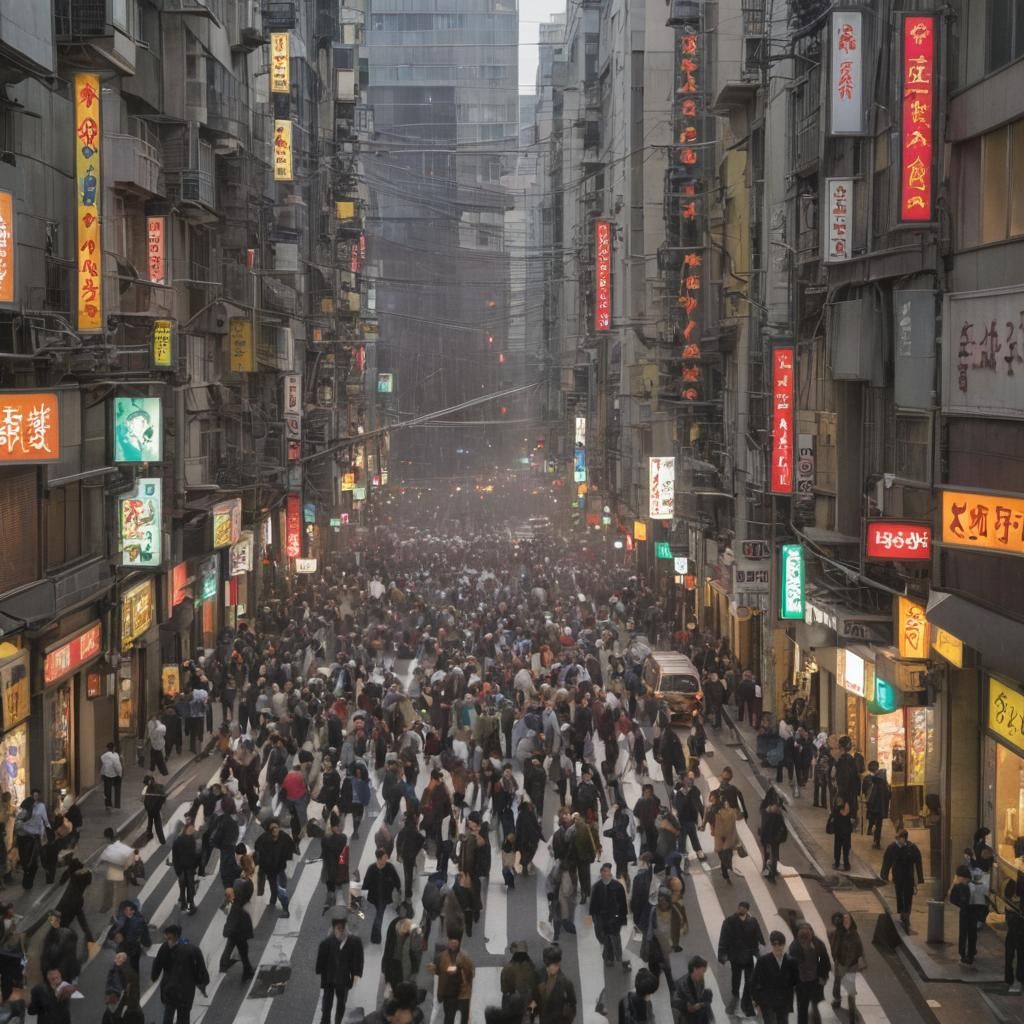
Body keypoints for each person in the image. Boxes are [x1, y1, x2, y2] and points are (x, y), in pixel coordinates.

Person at [151, 924, 209, 1024]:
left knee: (168, 1015)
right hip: (186, 992)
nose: (167, 939)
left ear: (173, 936)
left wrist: (154, 976)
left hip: (170, 989)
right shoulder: (193, 950)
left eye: (168, 937)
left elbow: (157, 964)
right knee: (183, 1018)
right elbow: (200, 969)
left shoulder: (165, 948)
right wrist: (202, 983)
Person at [718, 901, 765, 1017]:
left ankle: (746, 1003)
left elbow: (758, 935)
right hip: (735, 955)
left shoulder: (752, 921)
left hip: (749, 955)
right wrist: (723, 954)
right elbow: (723, 937)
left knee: (749, 980)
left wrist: (760, 947)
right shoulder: (729, 921)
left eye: (743, 908)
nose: (741, 909)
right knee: (736, 978)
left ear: (747, 910)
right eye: (740, 907)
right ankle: (735, 996)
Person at [315, 915, 365, 1024]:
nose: (342, 931)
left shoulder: (355, 942)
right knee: (327, 1003)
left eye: (343, 928)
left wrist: (356, 974)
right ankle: (325, 1020)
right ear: (334, 929)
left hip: (344, 979)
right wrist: (321, 971)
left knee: (341, 1003)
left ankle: (338, 1020)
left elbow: (358, 959)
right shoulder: (326, 944)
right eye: (339, 928)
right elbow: (321, 962)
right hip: (329, 978)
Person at [880, 828, 924, 932]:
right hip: (898, 877)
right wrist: (884, 875)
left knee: (908, 897)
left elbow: (918, 862)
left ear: (905, 839)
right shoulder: (892, 847)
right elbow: (886, 862)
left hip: (909, 878)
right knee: (899, 896)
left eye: (900, 839)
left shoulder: (912, 848)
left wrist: (920, 878)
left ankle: (906, 917)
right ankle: (902, 915)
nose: (899, 841)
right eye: (898, 838)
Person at [589, 862, 631, 969]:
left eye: (607, 871)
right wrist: (593, 919)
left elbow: (622, 904)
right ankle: (609, 957)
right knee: (606, 939)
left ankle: (617, 958)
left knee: (615, 939)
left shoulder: (617, 886)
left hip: (614, 919)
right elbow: (593, 905)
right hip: (602, 919)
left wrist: (622, 919)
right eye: (603, 871)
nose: (605, 873)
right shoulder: (597, 887)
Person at [751, 931, 799, 1024]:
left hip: (783, 1003)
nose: (777, 947)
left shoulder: (791, 962)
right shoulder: (762, 961)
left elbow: (795, 981)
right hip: (767, 1003)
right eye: (774, 944)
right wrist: (757, 1001)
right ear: (771, 945)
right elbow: (754, 982)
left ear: (784, 944)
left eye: (780, 944)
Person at [788, 922, 830, 1024]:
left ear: (811, 933)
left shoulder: (818, 945)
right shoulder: (794, 947)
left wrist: (823, 976)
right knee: (802, 1007)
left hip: (816, 981)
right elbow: (792, 966)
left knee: (815, 1005)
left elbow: (823, 961)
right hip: (801, 983)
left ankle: (816, 1021)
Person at [427, 935, 474, 1024]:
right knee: (455, 1015)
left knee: (448, 1013)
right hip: (455, 994)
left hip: (453, 994)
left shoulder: (455, 963)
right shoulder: (454, 964)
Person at [254, 818, 296, 918]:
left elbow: (291, 847)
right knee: (274, 885)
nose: (274, 830)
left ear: (279, 828)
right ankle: (273, 900)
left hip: (280, 868)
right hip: (270, 869)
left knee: (280, 889)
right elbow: (257, 848)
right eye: (272, 829)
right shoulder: (264, 838)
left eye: (276, 828)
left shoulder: (284, 837)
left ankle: (285, 909)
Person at [829, 912, 865, 1018]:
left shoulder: (853, 934)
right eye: (843, 920)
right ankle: (838, 1000)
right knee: (837, 983)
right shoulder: (838, 932)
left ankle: (851, 1009)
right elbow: (834, 947)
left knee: (850, 988)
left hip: (849, 965)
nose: (845, 922)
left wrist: (846, 964)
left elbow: (858, 950)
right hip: (841, 963)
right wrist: (836, 958)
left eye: (847, 920)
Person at [220, 877, 255, 982]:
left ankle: (225, 965)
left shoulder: (235, 906)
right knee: (242, 951)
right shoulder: (240, 911)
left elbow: (226, 911)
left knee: (238, 949)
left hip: (235, 932)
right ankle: (246, 971)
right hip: (238, 933)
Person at [363, 847, 401, 944]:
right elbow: (365, 884)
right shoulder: (371, 868)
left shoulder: (390, 867)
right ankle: (374, 937)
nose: (387, 858)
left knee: (379, 916)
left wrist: (395, 887)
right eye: (385, 857)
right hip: (373, 897)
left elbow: (397, 881)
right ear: (379, 858)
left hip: (384, 898)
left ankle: (376, 937)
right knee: (375, 916)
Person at [532, 945, 576, 1024]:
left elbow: (572, 1004)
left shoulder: (566, 983)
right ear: (546, 963)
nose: (555, 967)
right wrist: (532, 1015)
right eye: (551, 964)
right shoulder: (537, 976)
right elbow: (533, 997)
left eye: (557, 964)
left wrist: (566, 1021)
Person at [99, 827, 136, 914]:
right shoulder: (119, 845)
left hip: (113, 872)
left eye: (105, 838)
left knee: (109, 889)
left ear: (107, 838)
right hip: (122, 872)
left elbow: (101, 860)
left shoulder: (108, 848)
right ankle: (120, 907)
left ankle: (107, 906)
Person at [500, 940, 540, 1015]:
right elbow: (535, 985)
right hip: (527, 999)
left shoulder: (507, 968)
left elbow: (504, 989)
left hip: (513, 999)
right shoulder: (531, 967)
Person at [171, 818, 200, 915]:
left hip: (187, 869)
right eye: (191, 829)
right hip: (184, 869)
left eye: (193, 829)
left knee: (186, 887)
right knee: (188, 888)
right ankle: (189, 906)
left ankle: (186, 904)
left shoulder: (190, 839)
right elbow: (175, 857)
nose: (192, 831)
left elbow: (194, 854)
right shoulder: (179, 841)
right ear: (185, 829)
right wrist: (178, 871)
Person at [674, 955, 713, 1024]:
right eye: (703, 971)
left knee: (708, 993)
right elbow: (690, 1005)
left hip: (695, 1008)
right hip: (686, 1013)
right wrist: (698, 1005)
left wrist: (701, 1004)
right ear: (695, 969)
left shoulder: (700, 979)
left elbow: (699, 997)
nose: (703, 974)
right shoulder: (683, 983)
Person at [759, 792, 788, 883]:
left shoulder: (776, 814)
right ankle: (768, 873)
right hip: (768, 838)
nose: (777, 808)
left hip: (774, 838)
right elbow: (765, 828)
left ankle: (773, 871)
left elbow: (781, 827)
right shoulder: (767, 814)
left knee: (774, 855)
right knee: (768, 856)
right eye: (776, 806)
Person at [862, 762, 890, 849]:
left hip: (873, 804)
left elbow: (865, 791)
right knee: (879, 824)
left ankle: (873, 836)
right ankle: (877, 841)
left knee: (873, 819)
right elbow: (888, 793)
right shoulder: (883, 779)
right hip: (881, 805)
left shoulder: (870, 779)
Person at [827, 800, 853, 873]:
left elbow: (837, 810)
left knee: (838, 845)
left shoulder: (840, 799)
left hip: (839, 826)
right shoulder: (851, 800)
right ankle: (846, 864)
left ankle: (837, 863)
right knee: (846, 846)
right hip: (847, 827)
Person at [142, 775, 167, 844]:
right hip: (155, 809)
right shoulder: (159, 787)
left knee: (150, 820)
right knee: (157, 824)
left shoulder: (148, 788)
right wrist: (160, 805)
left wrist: (147, 807)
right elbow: (163, 797)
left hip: (151, 808)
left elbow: (144, 799)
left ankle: (149, 834)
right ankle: (162, 840)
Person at [100, 742, 124, 811]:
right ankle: (117, 804)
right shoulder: (115, 756)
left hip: (106, 775)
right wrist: (120, 774)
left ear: (107, 748)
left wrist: (101, 774)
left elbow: (103, 766)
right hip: (115, 775)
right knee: (117, 789)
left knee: (107, 791)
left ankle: (108, 804)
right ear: (113, 748)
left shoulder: (103, 756)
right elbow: (117, 766)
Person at [148, 710, 169, 776]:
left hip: (158, 743)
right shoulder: (150, 723)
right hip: (153, 743)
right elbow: (152, 734)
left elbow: (162, 733)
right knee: (156, 757)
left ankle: (160, 771)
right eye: (153, 717)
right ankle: (163, 771)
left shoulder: (158, 723)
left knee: (156, 757)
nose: (154, 718)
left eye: (155, 717)